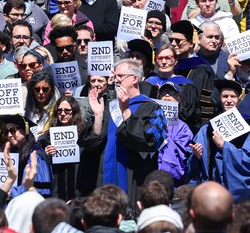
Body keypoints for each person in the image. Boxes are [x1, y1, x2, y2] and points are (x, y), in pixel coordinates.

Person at [103, 59, 168, 204]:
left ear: (134, 78)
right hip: (108, 176)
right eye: (114, 77)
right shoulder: (111, 107)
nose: (116, 81)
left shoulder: (151, 108)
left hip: (134, 178)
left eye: (120, 76)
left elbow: (147, 141)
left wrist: (126, 110)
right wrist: (97, 115)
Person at [40, 94, 106, 200]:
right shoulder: (48, 136)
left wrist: (98, 115)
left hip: (79, 188)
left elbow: (95, 142)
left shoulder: (83, 134)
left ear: (74, 112)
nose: (62, 114)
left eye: (67, 110)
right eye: (59, 110)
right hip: (57, 189)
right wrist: (46, 154)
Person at [170, 20, 218, 123]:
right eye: (172, 40)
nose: (173, 44)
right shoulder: (170, 66)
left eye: (178, 40)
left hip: (192, 125)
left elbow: (204, 106)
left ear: (191, 43)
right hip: (170, 123)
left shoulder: (201, 68)